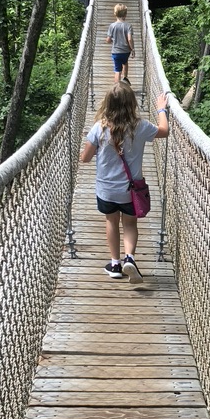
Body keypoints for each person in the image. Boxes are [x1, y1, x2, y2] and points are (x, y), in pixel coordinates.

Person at [80, 81, 169, 280]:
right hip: (130, 191)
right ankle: (129, 258)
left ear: (107, 104)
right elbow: (165, 130)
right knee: (130, 224)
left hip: (106, 190)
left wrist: (85, 153)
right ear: (132, 103)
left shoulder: (98, 128)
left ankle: (114, 264)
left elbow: (85, 158)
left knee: (111, 222)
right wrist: (161, 109)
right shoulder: (141, 127)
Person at [106, 3, 134, 83]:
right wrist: (133, 49)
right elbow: (129, 39)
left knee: (117, 70)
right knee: (125, 63)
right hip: (126, 52)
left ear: (115, 14)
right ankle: (125, 78)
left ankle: (116, 85)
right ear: (125, 14)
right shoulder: (128, 26)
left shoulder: (112, 26)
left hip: (116, 52)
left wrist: (111, 40)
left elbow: (108, 40)